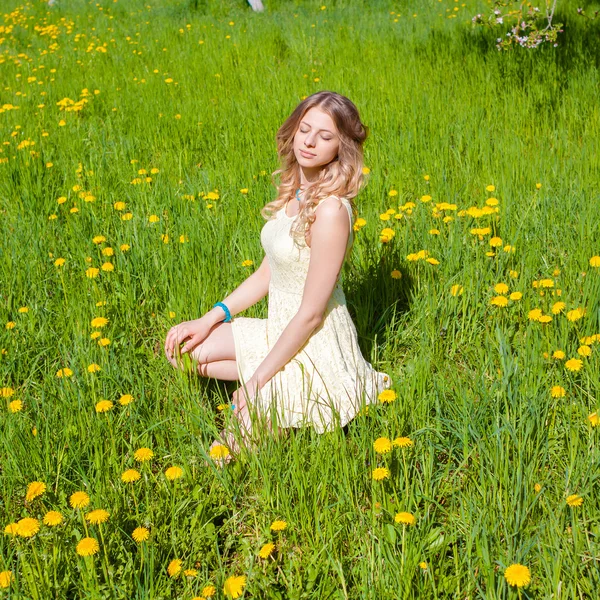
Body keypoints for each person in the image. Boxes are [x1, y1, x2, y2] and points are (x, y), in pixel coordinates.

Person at [164, 90, 393, 463]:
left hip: (315, 344)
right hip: (279, 327)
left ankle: (283, 397)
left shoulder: (332, 210)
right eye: (305, 129)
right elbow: (267, 273)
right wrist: (209, 318)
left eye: (326, 135)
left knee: (223, 453)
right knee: (183, 351)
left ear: (341, 147)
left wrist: (255, 384)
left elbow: (312, 315)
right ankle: (271, 392)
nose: (310, 141)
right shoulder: (297, 193)